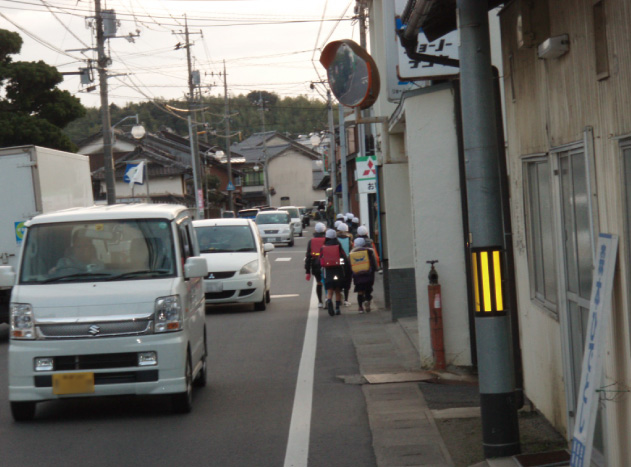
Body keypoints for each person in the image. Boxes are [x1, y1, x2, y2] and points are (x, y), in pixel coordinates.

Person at [320, 228, 349, 316]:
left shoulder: (323, 247)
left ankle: (329, 302)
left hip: (328, 271)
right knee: (337, 290)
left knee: (329, 290)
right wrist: (342, 265)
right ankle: (337, 308)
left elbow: (320, 261)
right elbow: (344, 259)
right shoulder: (338, 246)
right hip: (338, 270)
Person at [350, 237, 378, 313]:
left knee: (360, 291)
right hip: (368, 275)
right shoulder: (369, 251)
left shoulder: (352, 253)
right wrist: (376, 269)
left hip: (357, 276)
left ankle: (360, 307)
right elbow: (374, 262)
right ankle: (367, 301)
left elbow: (350, 265)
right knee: (368, 290)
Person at [304, 222, 327, 307]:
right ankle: (327, 298)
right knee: (327, 282)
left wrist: (307, 271)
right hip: (326, 263)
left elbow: (308, 256)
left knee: (319, 282)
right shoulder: (327, 240)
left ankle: (320, 302)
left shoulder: (311, 241)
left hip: (315, 264)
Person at [336, 222, 353, 307]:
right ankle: (346, 299)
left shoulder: (336, 239)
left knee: (339, 277)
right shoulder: (349, 239)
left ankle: (340, 292)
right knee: (347, 279)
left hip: (338, 261)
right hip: (347, 261)